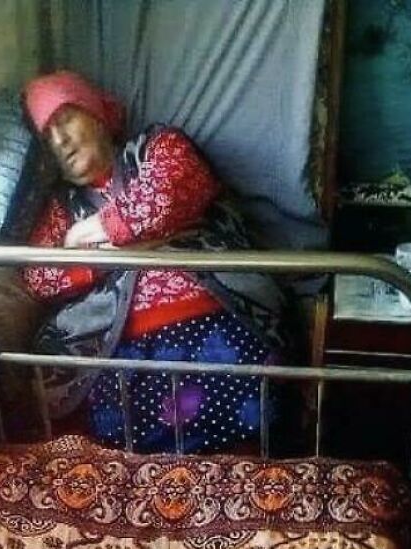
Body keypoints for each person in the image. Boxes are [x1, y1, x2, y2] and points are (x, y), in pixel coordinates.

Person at [20, 70, 287, 453]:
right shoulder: (63, 206)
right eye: (47, 135)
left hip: (214, 314)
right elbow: (39, 274)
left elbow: (168, 194)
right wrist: (106, 257)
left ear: (96, 115)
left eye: (64, 119)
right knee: (112, 448)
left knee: (250, 429)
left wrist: (86, 235)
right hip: (116, 344)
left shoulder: (157, 146)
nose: (59, 141)